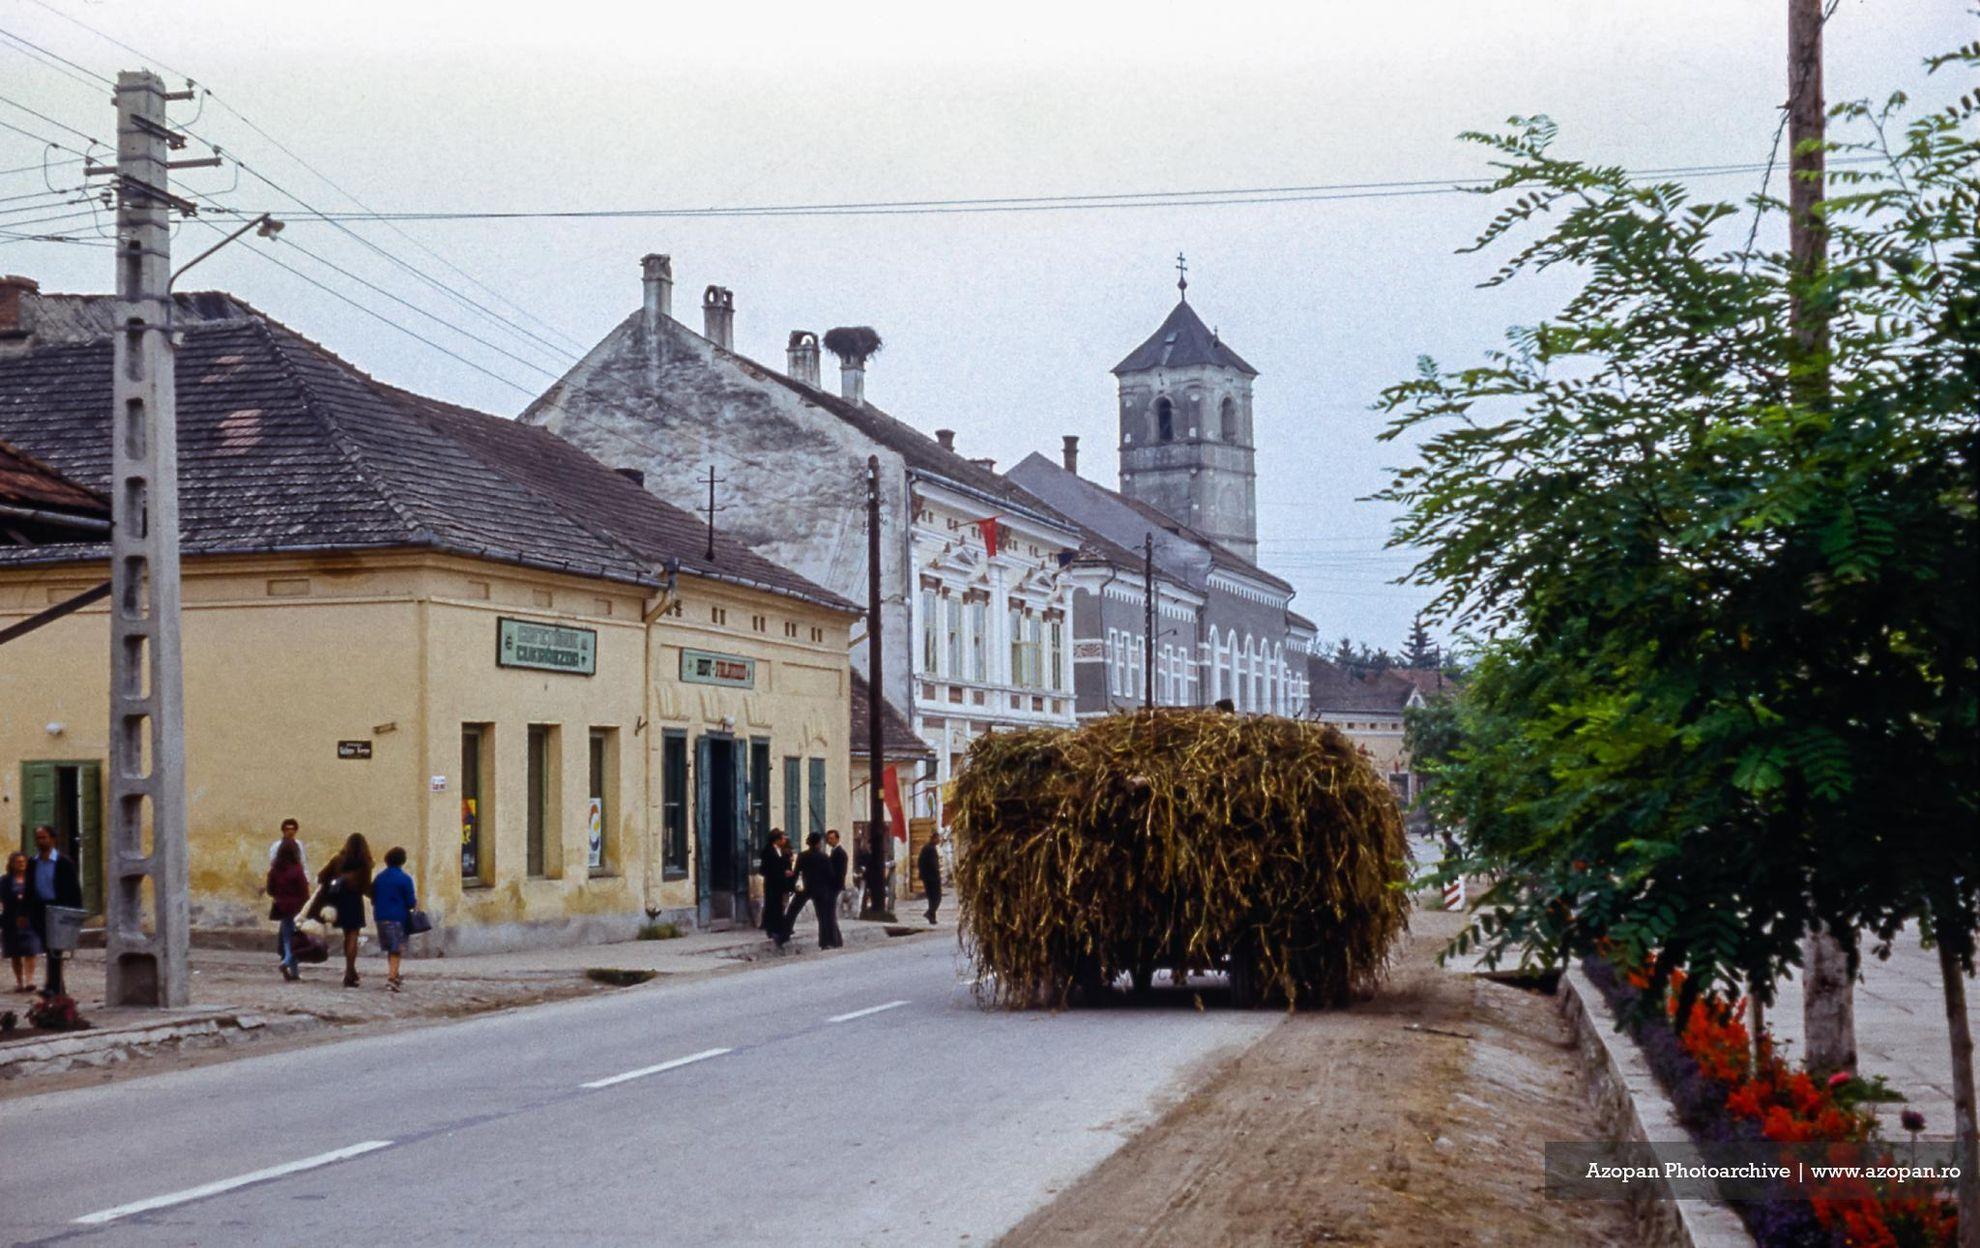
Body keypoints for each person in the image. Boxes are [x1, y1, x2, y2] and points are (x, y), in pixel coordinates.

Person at [29, 825, 81, 996]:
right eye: (38, 838)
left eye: (44, 837)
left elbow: (74, 889)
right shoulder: (33, 863)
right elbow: (29, 889)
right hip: (39, 909)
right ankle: (56, 986)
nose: (41, 841)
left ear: (52, 839)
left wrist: (75, 913)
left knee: (55, 949)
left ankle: (53, 987)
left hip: (58, 910)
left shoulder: (63, 863)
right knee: (48, 947)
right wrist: (24, 912)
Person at [319, 833, 374, 988]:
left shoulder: (338, 860)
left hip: (340, 901)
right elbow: (366, 886)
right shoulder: (365, 863)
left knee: (346, 936)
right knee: (353, 936)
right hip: (355, 901)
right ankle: (350, 970)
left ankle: (351, 970)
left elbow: (322, 876)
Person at [370, 846, 418, 993]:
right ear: (402, 861)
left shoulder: (379, 878)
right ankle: (391, 978)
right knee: (396, 949)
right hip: (397, 917)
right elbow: (410, 901)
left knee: (391, 948)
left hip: (380, 916)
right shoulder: (404, 879)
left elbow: (373, 897)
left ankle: (395, 974)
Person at [265, 839, 312, 981]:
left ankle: (294, 971)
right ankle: (287, 961)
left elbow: (270, 889)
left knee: (286, 937)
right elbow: (303, 890)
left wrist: (279, 896)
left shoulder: (274, 869)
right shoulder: (297, 870)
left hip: (281, 906)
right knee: (296, 938)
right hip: (296, 907)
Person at [785, 832, 839, 950]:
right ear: (818, 843)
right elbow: (830, 875)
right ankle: (824, 942)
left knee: (793, 909)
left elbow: (796, 872)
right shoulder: (824, 857)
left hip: (806, 887)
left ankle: (785, 932)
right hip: (821, 889)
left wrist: (792, 886)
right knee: (822, 916)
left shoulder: (802, 856)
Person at [3, 851, 40, 993]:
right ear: (12, 864)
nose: (21, 864)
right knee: (15, 951)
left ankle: (30, 980)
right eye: (18, 862)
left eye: (23, 862)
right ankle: (19, 981)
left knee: (31, 949)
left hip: (30, 918)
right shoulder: (5, 880)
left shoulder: (33, 880)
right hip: (11, 919)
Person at [759, 830, 795, 947]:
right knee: (772, 905)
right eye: (782, 838)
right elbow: (767, 868)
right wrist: (783, 872)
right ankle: (772, 929)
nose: (784, 841)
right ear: (777, 840)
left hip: (780, 883)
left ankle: (778, 928)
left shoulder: (780, 851)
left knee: (778, 906)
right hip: (772, 883)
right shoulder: (768, 851)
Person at [919, 831, 944, 926]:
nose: (939, 840)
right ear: (934, 838)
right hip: (932, 878)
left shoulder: (927, 848)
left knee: (932, 898)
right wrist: (937, 874)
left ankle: (932, 917)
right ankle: (929, 913)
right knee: (937, 897)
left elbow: (920, 862)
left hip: (927, 877)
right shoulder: (930, 849)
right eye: (938, 838)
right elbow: (933, 865)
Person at [825, 829, 851, 921]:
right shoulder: (834, 852)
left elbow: (840, 872)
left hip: (836, 885)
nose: (829, 841)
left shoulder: (840, 853)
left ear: (837, 839)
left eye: (832, 838)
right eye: (828, 839)